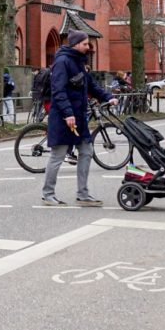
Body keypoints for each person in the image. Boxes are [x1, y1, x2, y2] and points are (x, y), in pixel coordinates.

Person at [41, 30, 115, 207]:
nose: (88, 47)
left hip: (79, 118)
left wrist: (107, 97)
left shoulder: (79, 62)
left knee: (87, 152)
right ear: (75, 44)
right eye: (85, 44)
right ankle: (48, 194)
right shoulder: (62, 62)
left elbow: (91, 85)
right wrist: (68, 114)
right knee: (57, 155)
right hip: (64, 118)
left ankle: (83, 194)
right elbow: (58, 91)